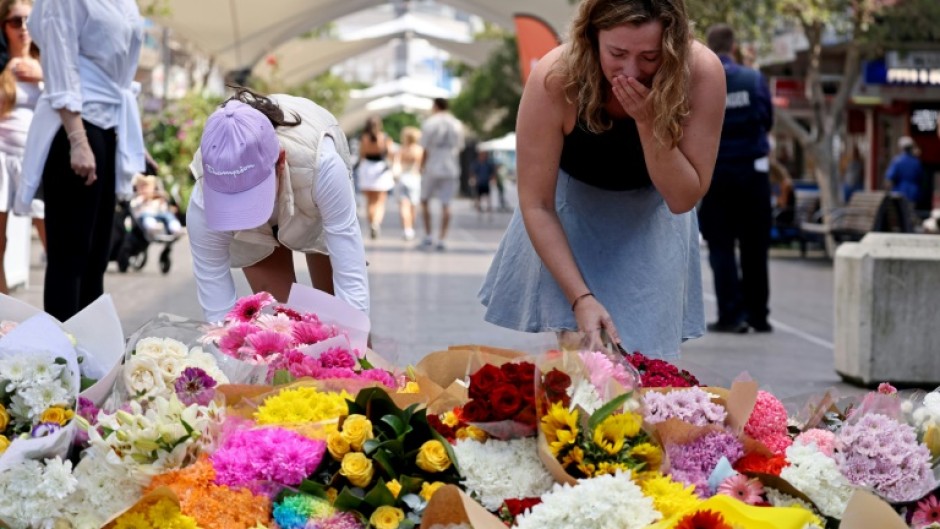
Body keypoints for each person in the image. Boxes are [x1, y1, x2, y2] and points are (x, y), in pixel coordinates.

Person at [479, 0, 725, 357]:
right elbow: (536, 203)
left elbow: (682, 198)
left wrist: (647, 121)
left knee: (648, 358)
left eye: (650, 57)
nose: (631, 70)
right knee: (583, 364)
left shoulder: (701, 72)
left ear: (673, 45)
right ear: (592, 37)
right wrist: (580, 298)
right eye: (617, 53)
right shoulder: (556, 76)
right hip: (568, 214)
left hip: (653, 214)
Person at [187, 88, 369, 323]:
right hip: (277, 196)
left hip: (308, 194)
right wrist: (222, 357)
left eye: (251, 195)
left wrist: (356, 350)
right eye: (233, 200)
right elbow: (216, 309)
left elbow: (351, 281)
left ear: (280, 161)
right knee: (281, 320)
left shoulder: (322, 166)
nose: (246, 209)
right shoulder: (203, 201)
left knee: (339, 319)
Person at [16, 0, 145, 321]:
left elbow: (122, 72)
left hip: (108, 123)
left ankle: (89, 356)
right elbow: (59, 60)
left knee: (97, 255)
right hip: (76, 123)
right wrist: (77, 138)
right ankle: (63, 355)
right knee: (70, 254)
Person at [697, 23, 774, 334]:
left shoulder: (701, 80)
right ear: (734, 45)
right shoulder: (753, 79)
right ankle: (758, 315)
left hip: (715, 174)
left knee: (721, 247)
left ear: (709, 46)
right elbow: (766, 118)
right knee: (755, 247)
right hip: (753, 175)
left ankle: (731, 315)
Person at [0, 0, 44, 295]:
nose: (24, 28)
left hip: (37, 159)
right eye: (16, 21)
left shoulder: (50, 63)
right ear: (4, 26)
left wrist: (41, 74)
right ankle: (2, 309)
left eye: (29, 20)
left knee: (53, 236)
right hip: (2, 157)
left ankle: (64, 314)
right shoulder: (2, 66)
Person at [419, 97, 464, 251]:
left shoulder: (430, 123)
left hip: (433, 165)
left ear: (435, 106)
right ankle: (442, 238)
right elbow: (460, 146)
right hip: (451, 166)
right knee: (446, 204)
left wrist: (421, 166)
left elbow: (424, 148)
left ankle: (428, 235)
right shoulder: (457, 124)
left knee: (424, 200)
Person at [356, 115, 395, 239]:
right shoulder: (384, 137)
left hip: (367, 168)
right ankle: (376, 223)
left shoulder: (363, 138)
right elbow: (390, 154)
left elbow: (361, 154)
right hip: (380, 168)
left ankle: (372, 223)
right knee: (380, 201)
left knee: (370, 201)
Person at [392, 126, 423, 241]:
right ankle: (411, 228)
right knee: (413, 206)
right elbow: (420, 167)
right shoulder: (419, 150)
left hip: (402, 178)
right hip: (414, 179)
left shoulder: (401, 150)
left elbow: (396, 162)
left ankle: (406, 229)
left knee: (403, 206)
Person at [885, 136, 923, 206]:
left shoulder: (897, 161)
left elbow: (889, 178)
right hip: (913, 193)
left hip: (899, 192)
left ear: (901, 148)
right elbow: (920, 178)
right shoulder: (916, 162)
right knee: (911, 213)